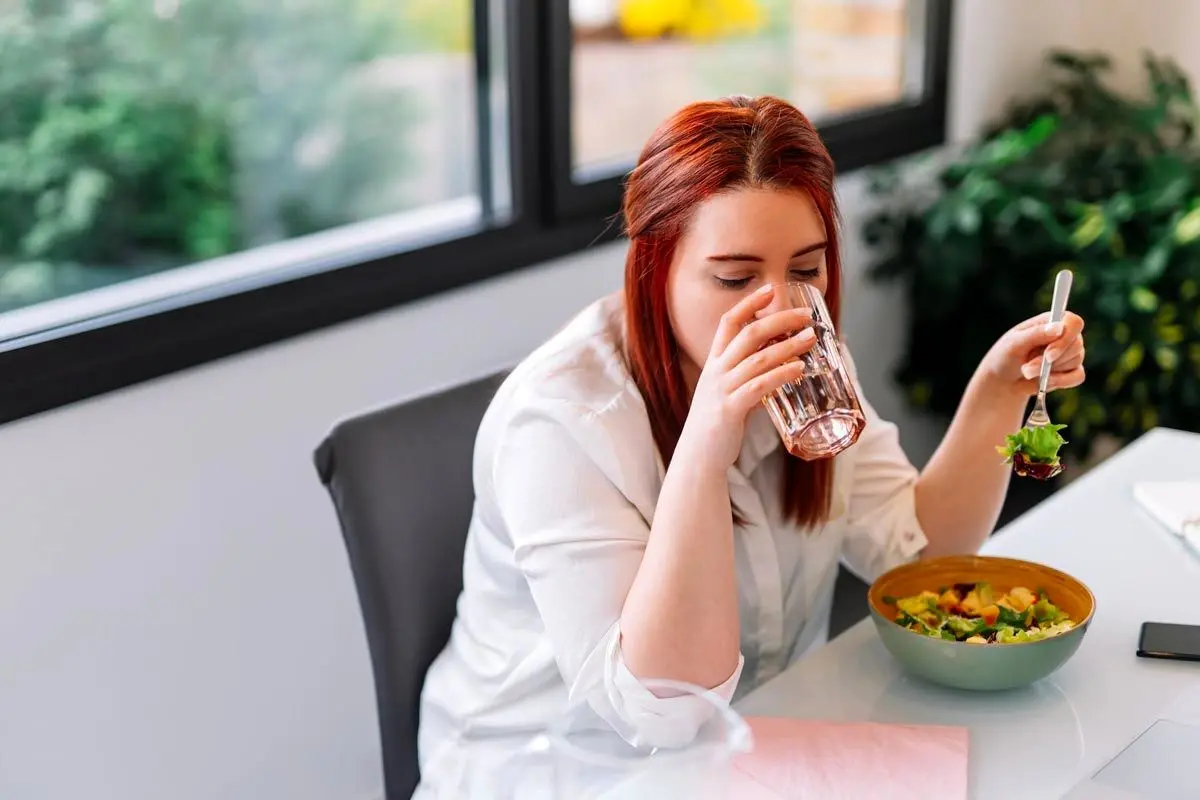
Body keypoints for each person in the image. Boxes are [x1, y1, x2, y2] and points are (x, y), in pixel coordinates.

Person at [414, 95, 1086, 794]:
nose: (782, 310)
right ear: (654, 270)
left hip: (747, 752)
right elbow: (665, 710)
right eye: (735, 279)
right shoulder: (561, 422)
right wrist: (706, 445)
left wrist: (1000, 391)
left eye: (806, 270)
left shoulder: (813, 364)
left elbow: (919, 558)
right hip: (558, 773)